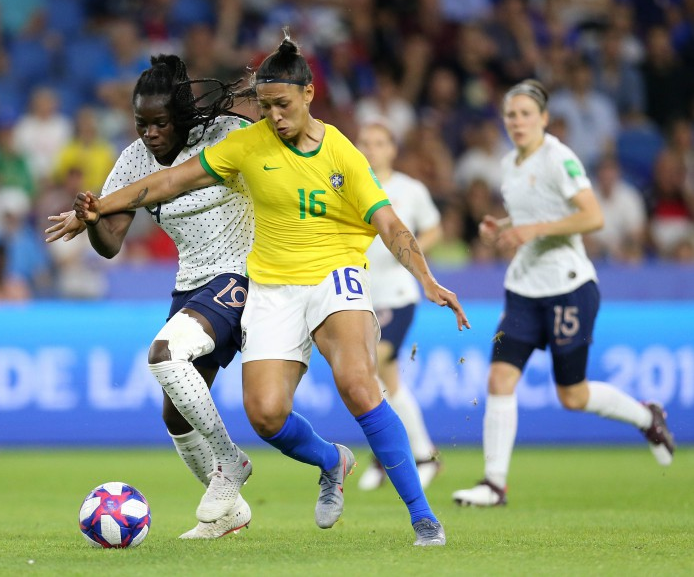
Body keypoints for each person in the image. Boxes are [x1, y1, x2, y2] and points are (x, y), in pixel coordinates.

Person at [75, 36, 469, 547]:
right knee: (265, 414)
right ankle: (332, 462)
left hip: (335, 275)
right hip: (271, 287)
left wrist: (427, 279)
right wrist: (99, 208)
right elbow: (171, 182)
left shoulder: (341, 152)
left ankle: (423, 518)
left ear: (308, 94)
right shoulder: (247, 144)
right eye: (264, 107)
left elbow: (390, 223)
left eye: (282, 105)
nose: (274, 117)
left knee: (357, 383)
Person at [45, 55, 254, 539]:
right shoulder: (135, 158)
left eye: (160, 123)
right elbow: (112, 242)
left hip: (239, 274)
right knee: (174, 413)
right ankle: (231, 513)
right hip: (191, 283)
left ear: (181, 116)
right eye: (141, 123)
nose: (151, 133)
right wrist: (95, 221)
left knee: (162, 354)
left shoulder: (223, 134)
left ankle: (230, 460)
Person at [452, 80, 676, 508]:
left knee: (572, 396)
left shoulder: (560, 159)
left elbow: (592, 217)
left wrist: (533, 230)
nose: (517, 122)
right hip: (522, 289)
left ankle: (648, 417)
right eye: (511, 115)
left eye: (525, 114)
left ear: (543, 119)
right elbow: (531, 213)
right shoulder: (509, 163)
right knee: (500, 377)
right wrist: (503, 226)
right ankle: (493, 484)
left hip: (569, 288)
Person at [354, 122, 443, 491]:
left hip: (398, 295)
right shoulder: (350, 186)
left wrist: (412, 254)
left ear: (392, 149)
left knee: (379, 361)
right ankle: (389, 455)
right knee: (373, 380)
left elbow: (435, 228)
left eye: (379, 142)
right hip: (360, 296)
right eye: (365, 143)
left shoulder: (410, 189)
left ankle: (424, 455)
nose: (372, 149)